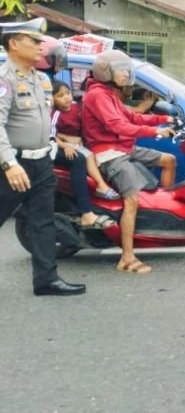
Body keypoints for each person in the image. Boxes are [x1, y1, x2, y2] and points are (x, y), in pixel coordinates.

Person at [0, 19, 86, 296]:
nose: (41, 47)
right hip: (13, 164)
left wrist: (51, 145)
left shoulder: (41, 80)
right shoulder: (5, 80)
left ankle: (47, 280)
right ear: (14, 43)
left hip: (41, 163)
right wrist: (9, 163)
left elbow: (44, 121)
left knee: (43, 221)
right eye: (34, 41)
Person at [82, 50, 176, 275]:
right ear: (106, 73)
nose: (126, 74)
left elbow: (132, 117)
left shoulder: (110, 94)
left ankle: (162, 213)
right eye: (121, 70)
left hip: (123, 147)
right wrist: (155, 131)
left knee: (169, 160)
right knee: (131, 200)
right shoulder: (97, 95)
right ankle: (126, 257)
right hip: (108, 153)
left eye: (126, 70)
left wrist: (165, 119)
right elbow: (118, 125)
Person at [51, 80, 120, 230]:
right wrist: (66, 144)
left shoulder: (77, 107)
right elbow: (50, 136)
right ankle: (101, 187)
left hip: (80, 143)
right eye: (60, 95)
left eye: (68, 93)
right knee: (85, 157)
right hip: (61, 147)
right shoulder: (56, 114)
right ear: (52, 99)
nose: (66, 98)